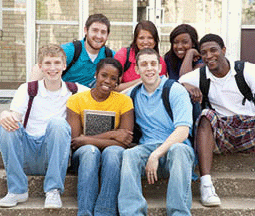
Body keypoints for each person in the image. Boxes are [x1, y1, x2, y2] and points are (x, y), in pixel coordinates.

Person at [178, 33, 255, 208]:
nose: (208, 56)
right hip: (222, 131)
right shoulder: (201, 75)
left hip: (250, 128)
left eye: (213, 50)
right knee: (205, 115)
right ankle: (206, 185)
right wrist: (187, 84)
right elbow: (176, 83)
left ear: (223, 50)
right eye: (203, 53)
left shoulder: (246, 69)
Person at [0, 44, 88, 208]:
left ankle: (53, 190)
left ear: (64, 65)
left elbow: (105, 97)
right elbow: (15, 117)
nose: (52, 68)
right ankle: (17, 190)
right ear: (40, 66)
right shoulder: (27, 89)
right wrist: (5, 114)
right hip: (27, 155)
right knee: (6, 125)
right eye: (47, 63)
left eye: (56, 63)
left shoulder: (76, 90)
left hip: (54, 156)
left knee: (58, 123)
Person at [118, 48, 195, 215]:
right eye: (144, 65)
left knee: (179, 149)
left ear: (160, 67)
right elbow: (112, 97)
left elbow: (182, 131)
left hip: (174, 152)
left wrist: (156, 154)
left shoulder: (175, 90)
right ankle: (133, 213)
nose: (149, 68)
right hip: (147, 150)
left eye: (153, 64)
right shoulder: (134, 93)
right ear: (137, 70)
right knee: (129, 155)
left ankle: (178, 213)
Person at [66, 58, 134, 216]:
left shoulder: (124, 101)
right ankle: (85, 212)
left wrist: (87, 139)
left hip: (110, 155)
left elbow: (124, 142)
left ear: (118, 81)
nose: (107, 81)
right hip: (83, 156)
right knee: (90, 152)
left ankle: (106, 211)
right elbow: (76, 141)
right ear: (95, 74)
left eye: (113, 78)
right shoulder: (76, 100)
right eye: (104, 75)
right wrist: (112, 134)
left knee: (114, 152)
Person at [31, 13, 115, 87]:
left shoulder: (110, 55)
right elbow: (38, 69)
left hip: (91, 102)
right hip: (64, 100)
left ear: (108, 35)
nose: (99, 36)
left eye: (103, 32)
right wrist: (31, 94)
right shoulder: (71, 50)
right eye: (95, 30)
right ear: (86, 30)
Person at [114, 20, 167, 92]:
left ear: (155, 41)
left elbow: (161, 90)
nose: (145, 42)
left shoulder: (160, 62)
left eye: (150, 38)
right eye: (141, 38)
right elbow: (114, 87)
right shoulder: (123, 55)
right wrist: (142, 80)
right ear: (135, 40)